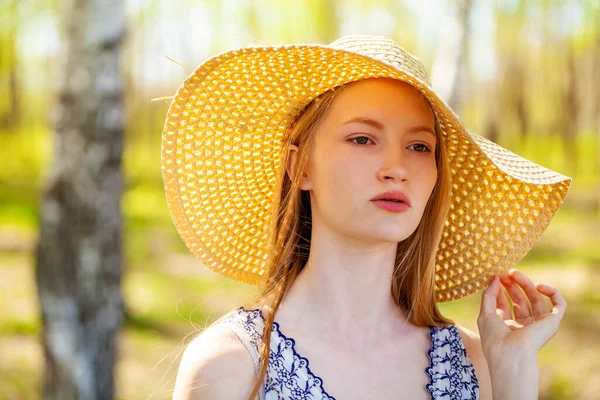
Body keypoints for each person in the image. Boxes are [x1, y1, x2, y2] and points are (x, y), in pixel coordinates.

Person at [162, 35, 571, 399]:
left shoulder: (481, 365)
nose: (397, 168)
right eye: (362, 138)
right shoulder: (230, 368)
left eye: (419, 147)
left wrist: (514, 373)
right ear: (300, 166)